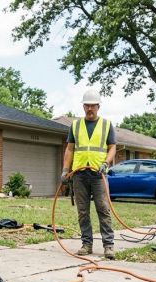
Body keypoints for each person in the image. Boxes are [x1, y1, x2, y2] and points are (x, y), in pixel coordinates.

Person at [61, 89, 117, 259]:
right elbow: (70, 149)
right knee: (83, 211)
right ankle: (87, 244)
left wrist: (106, 163)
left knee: (103, 208)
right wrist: (65, 170)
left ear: (98, 106)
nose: (89, 108)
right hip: (79, 174)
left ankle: (108, 245)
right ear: (83, 106)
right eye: (87, 105)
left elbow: (112, 147)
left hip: (98, 174)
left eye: (93, 105)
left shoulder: (107, 125)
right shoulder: (76, 125)